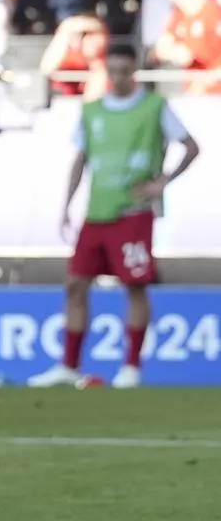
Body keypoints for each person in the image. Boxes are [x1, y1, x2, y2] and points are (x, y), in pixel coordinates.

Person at [29, 44, 201, 390]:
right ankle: (69, 365)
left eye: (125, 71)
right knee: (75, 284)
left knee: (135, 286)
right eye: (113, 71)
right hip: (97, 212)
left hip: (132, 213)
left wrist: (162, 182)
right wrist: (67, 205)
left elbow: (191, 146)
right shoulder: (92, 111)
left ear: (134, 70)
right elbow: (81, 159)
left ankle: (132, 368)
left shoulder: (154, 108)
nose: (119, 78)